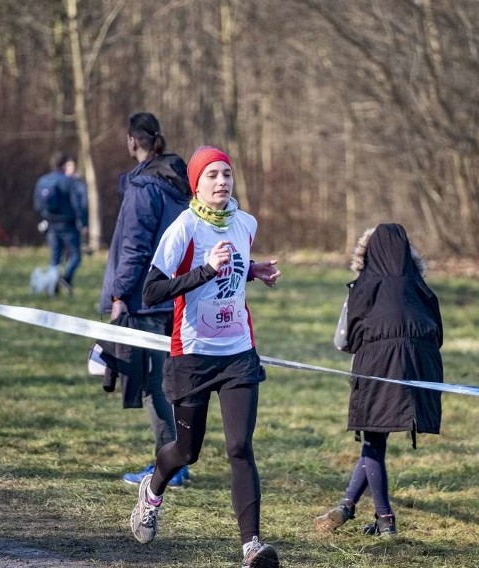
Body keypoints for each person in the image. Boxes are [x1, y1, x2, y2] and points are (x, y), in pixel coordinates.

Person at [128, 145, 281, 568]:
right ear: (197, 183)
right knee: (187, 451)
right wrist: (206, 272)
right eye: (212, 175)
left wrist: (253, 270)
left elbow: (233, 262)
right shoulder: (184, 227)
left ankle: (251, 545)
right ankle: (152, 489)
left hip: (237, 353)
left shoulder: (245, 224)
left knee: (239, 447)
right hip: (192, 355)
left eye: (227, 174)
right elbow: (153, 290)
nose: (221, 182)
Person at [314, 224, 443, 536]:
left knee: (373, 440)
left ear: (366, 253)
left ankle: (386, 520)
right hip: (417, 372)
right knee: (376, 441)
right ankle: (346, 505)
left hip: (376, 369)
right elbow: (437, 336)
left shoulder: (362, 287)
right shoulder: (422, 290)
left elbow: (342, 341)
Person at [98, 113, 191, 487]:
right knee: (172, 383)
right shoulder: (180, 183)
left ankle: (170, 466)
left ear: (131, 141)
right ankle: (178, 459)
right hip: (177, 296)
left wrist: (120, 294)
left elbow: (135, 248)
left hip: (146, 300)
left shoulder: (144, 187)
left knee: (155, 385)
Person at [34, 152, 88, 293]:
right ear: (64, 165)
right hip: (68, 224)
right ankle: (66, 278)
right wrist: (83, 222)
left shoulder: (43, 181)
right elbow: (78, 205)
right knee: (76, 255)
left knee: (55, 257)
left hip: (51, 224)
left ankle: (53, 288)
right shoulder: (69, 182)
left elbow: (38, 205)